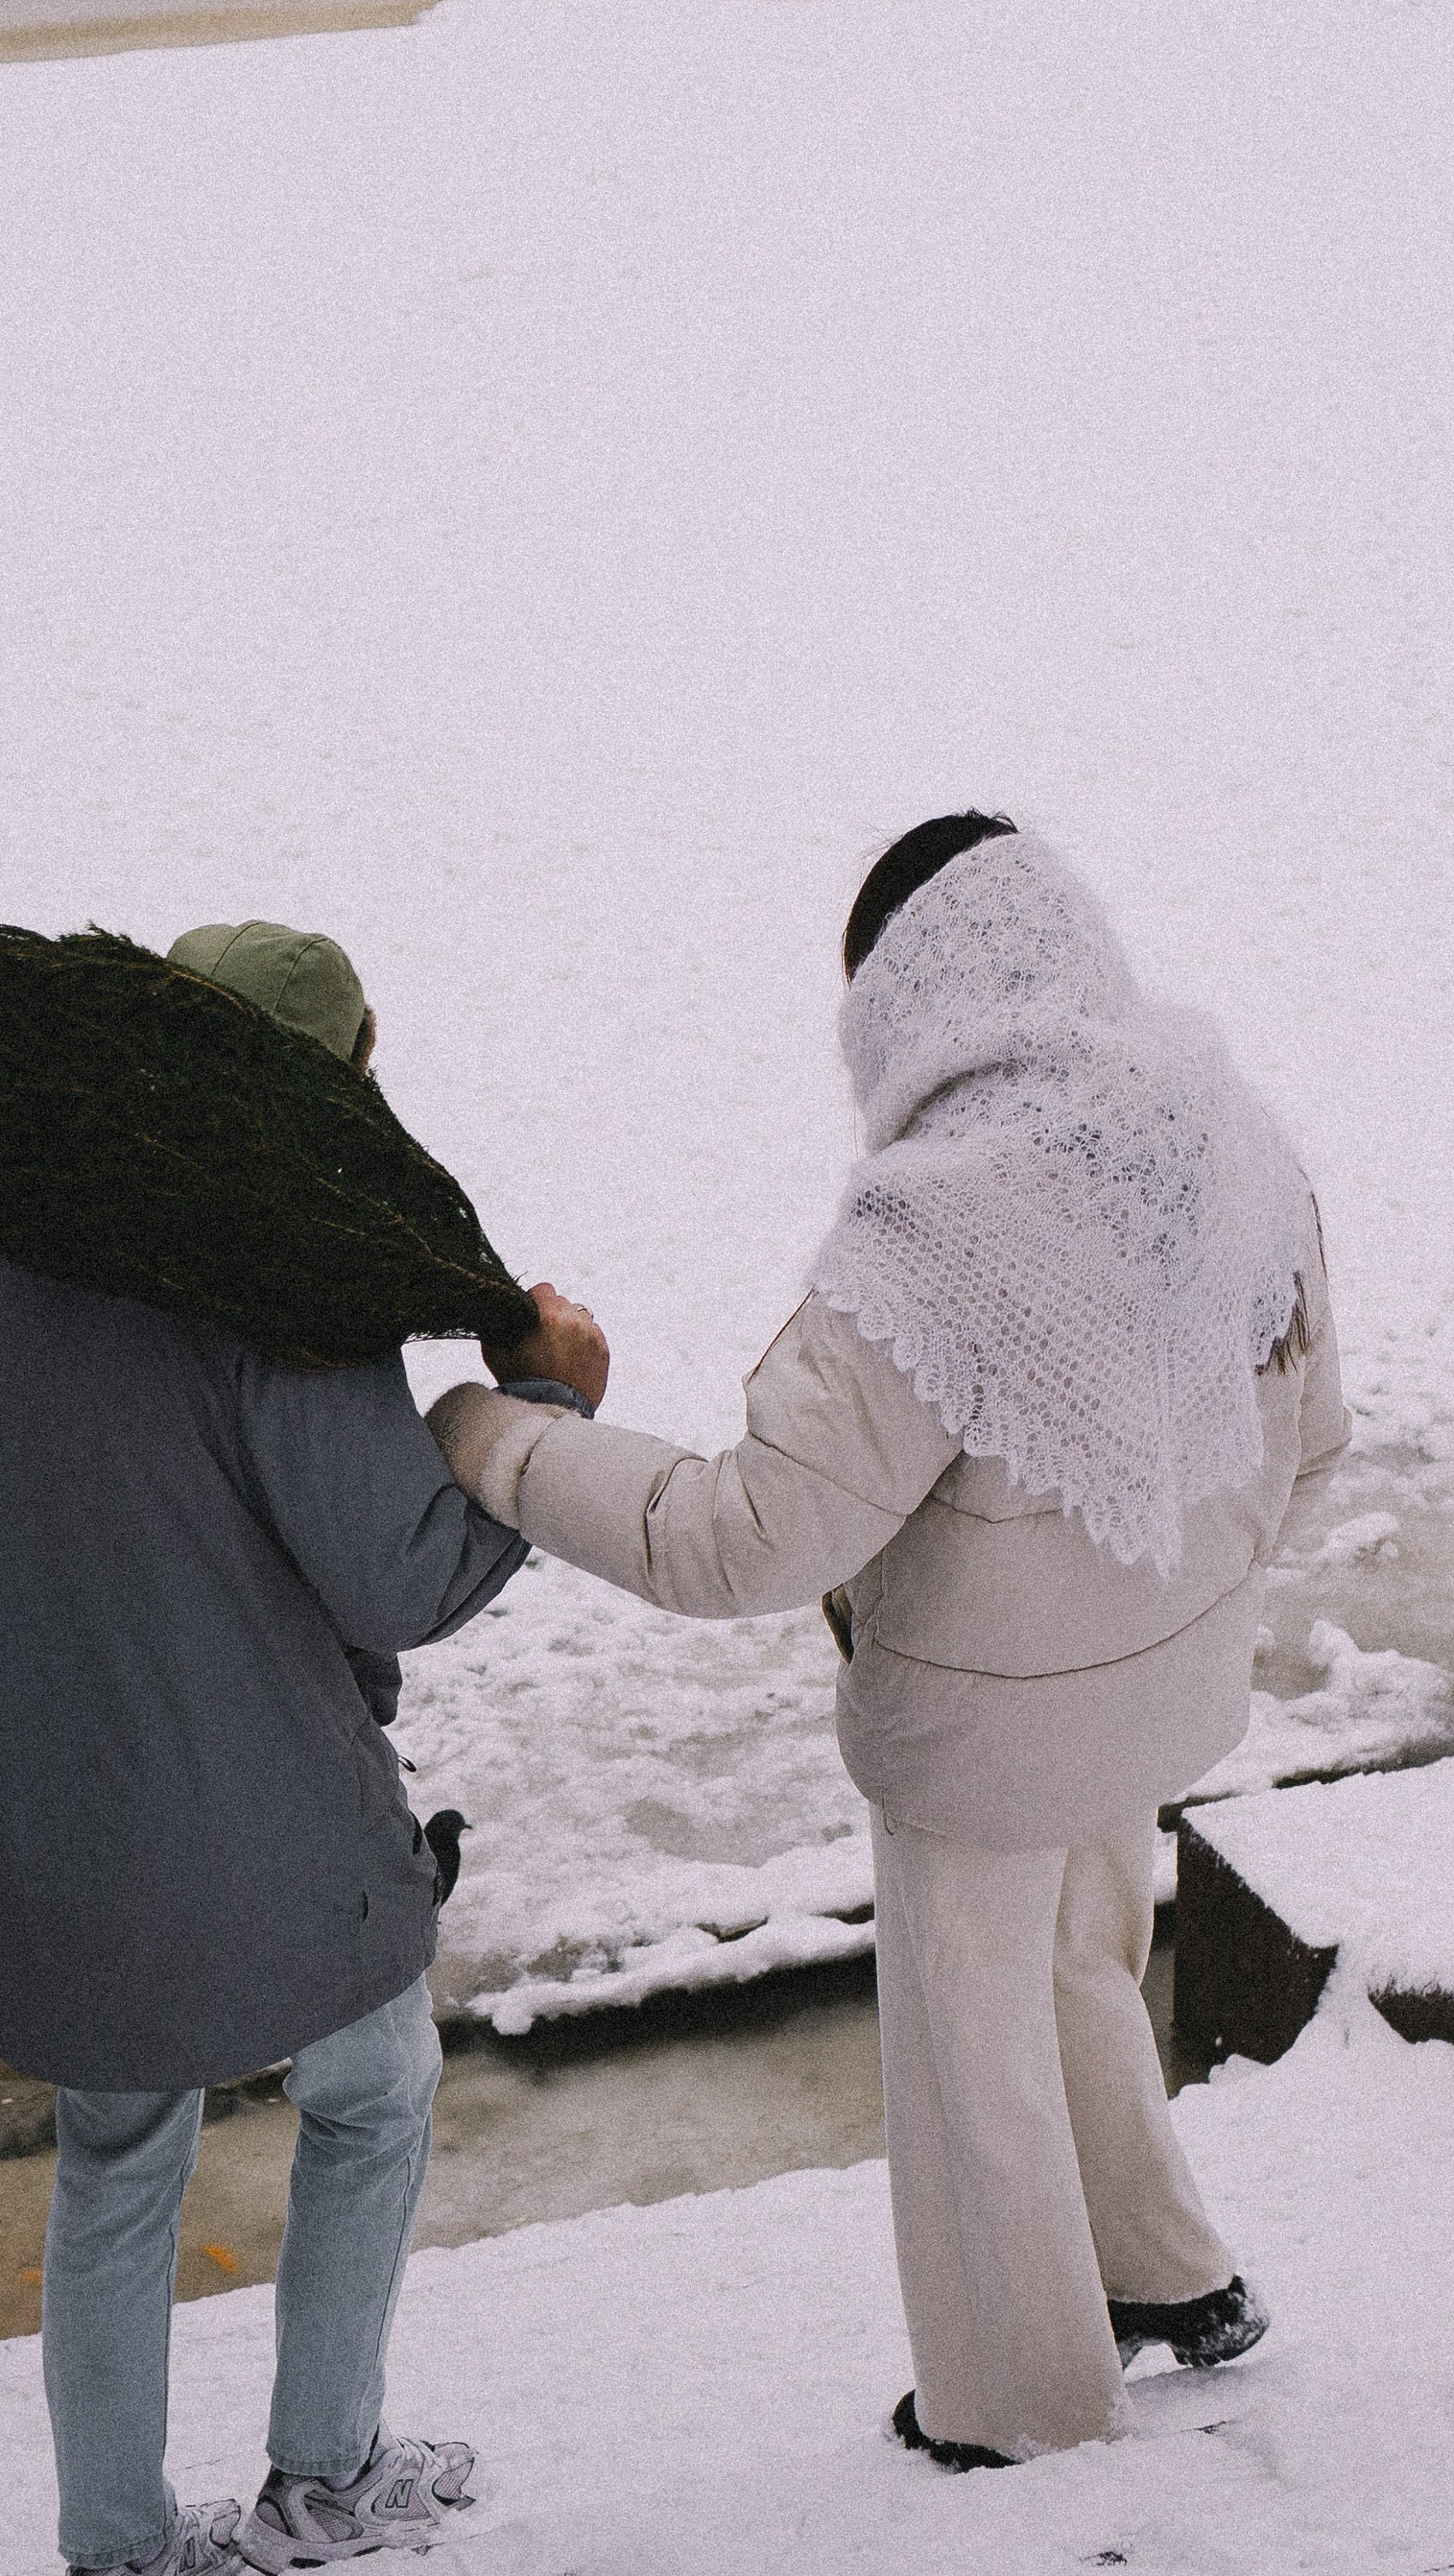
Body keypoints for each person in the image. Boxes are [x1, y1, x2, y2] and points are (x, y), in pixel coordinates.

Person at [433, 817, 1347, 2469]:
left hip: (982, 1738)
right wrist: (1173, 1598)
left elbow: (739, 1538)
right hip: (1168, 1686)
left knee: (973, 2043)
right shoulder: (1226, 1135)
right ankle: (1169, 2278)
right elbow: (1316, 1433)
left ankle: (1019, 2404)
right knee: (1088, 1962)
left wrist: (497, 1444)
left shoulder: (932, 1237)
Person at [0, 917, 608, 2576]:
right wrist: (548, 1407)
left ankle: (120, 2553)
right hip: (265, 1808)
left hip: (64, 1803)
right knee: (373, 2095)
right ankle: (328, 2476)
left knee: (118, 2154)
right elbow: (404, 1577)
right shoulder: (271, 1288)